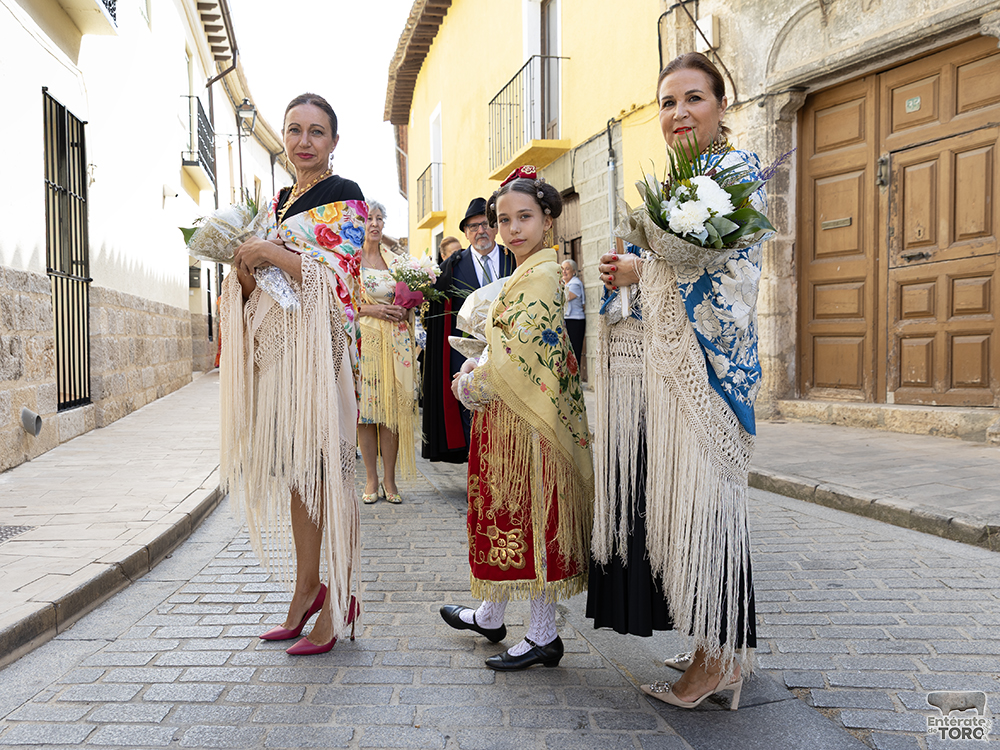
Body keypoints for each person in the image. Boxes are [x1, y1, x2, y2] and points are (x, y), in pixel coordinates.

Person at [586, 52, 766, 709]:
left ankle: (716, 663)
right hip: (675, 367)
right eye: (667, 102)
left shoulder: (735, 171)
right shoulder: (683, 179)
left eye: (693, 98)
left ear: (722, 107)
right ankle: (715, 647)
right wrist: (630, 267)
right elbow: (677, 255)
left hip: (711, 371)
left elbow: (728, 274)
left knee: (710, 506)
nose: (678, 112)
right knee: (697, 505)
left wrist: (643, 270)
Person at [220, 93, 364, 656]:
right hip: (279, 362)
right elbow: (257, 292)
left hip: (321, 359)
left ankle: (337, 599)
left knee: (327, 475)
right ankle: (306, 587)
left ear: (333, 141)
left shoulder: (343, 196)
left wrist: (269, 253)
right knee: (296, 473)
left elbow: (340, 279)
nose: (304, 141)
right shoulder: (277, 204)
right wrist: (245, 268)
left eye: (317, 132)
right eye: (295, 130)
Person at [439, 166, 594, 671]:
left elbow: (519, 349)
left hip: (531, 421)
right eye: (504, 220)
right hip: (510, 418)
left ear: (547, 219)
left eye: (524, 217)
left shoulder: (545, 275)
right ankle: (491, 612)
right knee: (507, 514)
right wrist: (478, 360)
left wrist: (470, 382)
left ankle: (544, 633)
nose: (513, 229)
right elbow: (503, 344)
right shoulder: (526, 272)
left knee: (534, 517)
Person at [420, 198, 515, 462]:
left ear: (494, 227)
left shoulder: (513, 260)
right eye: (472, 227)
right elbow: (435, 308)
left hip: (508, 349)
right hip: (464, 353)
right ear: (465, 233)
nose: (479, 231)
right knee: (469, 412)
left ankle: (505, 468)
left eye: (485, 224)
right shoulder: (451, 266)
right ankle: (478, 474)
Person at [356, 201, 417, 504]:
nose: (375, 224)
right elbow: (340, 302)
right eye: (369, 218)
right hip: (363, 342)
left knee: (390, 413)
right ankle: (371, 479)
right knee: (367, 414)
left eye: (380, 218)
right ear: (359, 223)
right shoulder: (349, 260)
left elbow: (412, 298)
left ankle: (390, 481)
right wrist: (374, 308)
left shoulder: (396, 261)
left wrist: (406, 310)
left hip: (395, 341)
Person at [561, 259, 586, 364]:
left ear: (574, 271)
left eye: (567, 269)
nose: (564, 271)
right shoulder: (565, 284)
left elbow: (564, 297)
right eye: (562, 269)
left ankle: (576, 378)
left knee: (574, 351)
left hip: (575, 321)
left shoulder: (575, 283)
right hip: (567, 320)